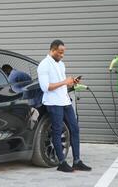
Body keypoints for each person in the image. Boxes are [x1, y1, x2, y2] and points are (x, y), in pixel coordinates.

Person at [37, 39, 92, 172]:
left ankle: (77, 161)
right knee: (57, 131)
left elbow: (62, 83)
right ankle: (61, 163)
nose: (62, 55)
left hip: (65, 101)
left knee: (75, 129)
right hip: (53, 102)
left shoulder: (61, 64)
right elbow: (46, 87)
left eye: (63, 53)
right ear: (53, 50)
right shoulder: (43, 65)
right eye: (60, 52)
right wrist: (64, 82)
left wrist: (71, 82)